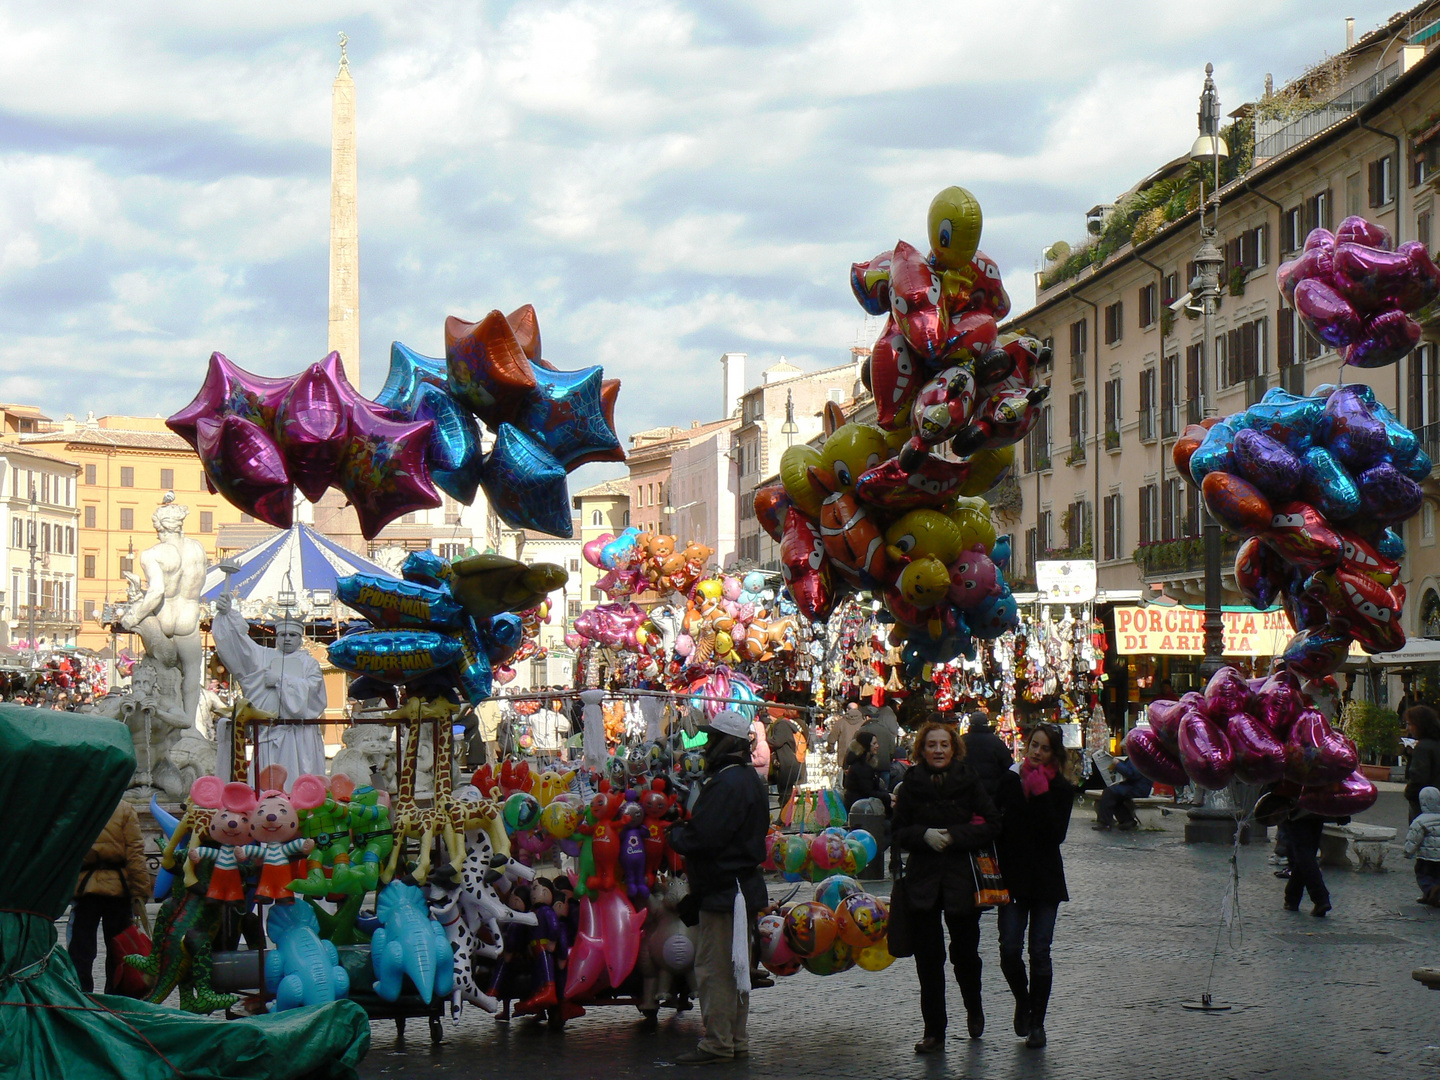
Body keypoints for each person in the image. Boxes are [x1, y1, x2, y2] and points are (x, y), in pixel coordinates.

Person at [666, 709, 769, 1065]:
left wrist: (677, 833)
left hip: (726, 892)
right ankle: (734, 1039)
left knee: (716, 970)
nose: (707, 745)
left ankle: (718, 1042)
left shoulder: (727, 783)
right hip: (740, 889)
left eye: (712, 739)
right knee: (738, 967)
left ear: (730, 743)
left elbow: (704, 836)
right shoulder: (747, 779)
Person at [891, 718, 1000, 1053]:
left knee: (965, 954)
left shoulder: (968, 780)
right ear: (921, 749)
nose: (938, 750)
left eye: (944, 745)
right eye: (931, 745)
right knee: (929, 959)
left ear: (954, 748)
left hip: (961, 879)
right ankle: (934, 1031)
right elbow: (896, 830)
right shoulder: (911, 783)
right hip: (923, 882)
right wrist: (923, 835)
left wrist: (954, 835)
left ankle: (973, 1007)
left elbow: (993, 823)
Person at [994, 722, 1075, 1049]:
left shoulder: (1062, 789)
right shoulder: (1010, 781)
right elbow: (995, 821)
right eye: (1034, 746)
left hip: (1045, 881)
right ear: (1025, 747)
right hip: (1012, 878)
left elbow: (1056, 835)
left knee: (1040, 951)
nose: (1037, 753)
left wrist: (1041, 795)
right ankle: (1022, 999)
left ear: (1054, 753)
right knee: (1009, 949)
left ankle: (1037, 1023)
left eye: (1045, 748)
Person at [212, 592, 327, 786]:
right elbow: (240, 645)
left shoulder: (310, 664)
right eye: (283, 635)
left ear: (300, 639)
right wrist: (227, 614)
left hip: (300, 736)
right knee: (268, 782)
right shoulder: (262, 657)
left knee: (300, 782)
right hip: (270, 732)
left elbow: (315, 693)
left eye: (292, 635)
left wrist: (281, 680)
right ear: (276, 637)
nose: (287, 639)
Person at [68, 799, 152, 993]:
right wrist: (140, 890)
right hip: (118, 890)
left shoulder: (79, 805)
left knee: (81, 948)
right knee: (119, 948)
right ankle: (116, 995)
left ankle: (80, 994)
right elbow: (135, 853)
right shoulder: (124, 808)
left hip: (86, 889)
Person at [1282, 808, 1331, 917]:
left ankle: (1320, 898)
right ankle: (1292, 897)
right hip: (1318, 807)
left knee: (1303, 853)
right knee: (1307, 854)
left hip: (1296, 807)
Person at [1093, 752, 1151, 831]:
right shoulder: (1141, 756)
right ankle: (1126, 820)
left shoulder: (1138, 757)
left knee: (1109, 792)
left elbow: (1131, 774)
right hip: (1138, 787)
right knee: (1114, 796)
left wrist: (1117, 764)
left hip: (1137, 788)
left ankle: (1105, 823)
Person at [962, 708, 1013, 799]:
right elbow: (1008, 767)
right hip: (992, 793)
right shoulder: (997, 742)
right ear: (987, 723)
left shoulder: (961, 741)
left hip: (967, 792)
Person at [1404, 786, 1440, 906]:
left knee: (1423, 875)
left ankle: (1431, 890)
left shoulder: (1420, 821)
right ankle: (1433, 895)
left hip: (1426, 857)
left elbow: (1413, 839)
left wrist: (1408, 852)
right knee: (1437, 876)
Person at [1404, 706, 1440, 823]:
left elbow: (1419, 777)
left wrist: (1409, 793)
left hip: (1424, 802)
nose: (1408, 728)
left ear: (1419, 725)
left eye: (1410, 724)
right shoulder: (1435, 744)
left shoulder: (1423, 748)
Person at [842, 731, 890, 812]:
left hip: (862, 806)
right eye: (874, 743)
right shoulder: (861, 767)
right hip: (862, 810)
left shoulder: (863, 764)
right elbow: (867, 792)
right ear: (866, 746)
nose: (877, 746)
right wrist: (888, 797)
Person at [766, 709, 802, 817]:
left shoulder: (781, 725)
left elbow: (777, 741)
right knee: (785, 793)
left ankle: (785, 819)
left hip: (786, 764)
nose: (768, 717)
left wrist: (764, 739)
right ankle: (785, 818)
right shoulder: (784, 723)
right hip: (788, 762)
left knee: (785, 794)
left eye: (770, 715)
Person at [860, 705, 903, 782]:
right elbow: (892, 749)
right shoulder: (886, 730)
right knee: (883, 790)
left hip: (867, 767)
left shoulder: (862, 731)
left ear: (867, 717)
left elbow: (855, 749)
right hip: (884, 766)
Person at [749, 714, 770, 784]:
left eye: (752, 733)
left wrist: (751, 761)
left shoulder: (762, 744)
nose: (750, 736)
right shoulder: (755, 744)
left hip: (761, 776)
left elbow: (762, 760)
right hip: (755, 775)